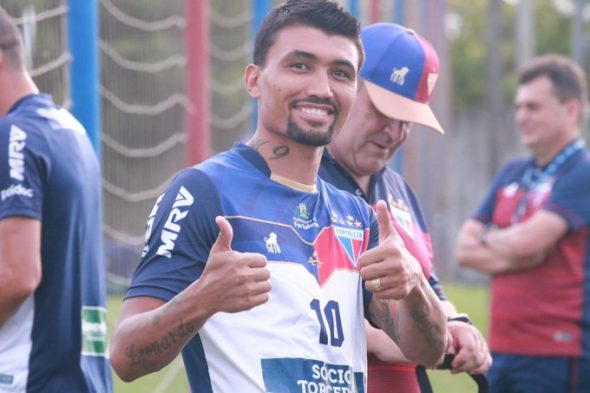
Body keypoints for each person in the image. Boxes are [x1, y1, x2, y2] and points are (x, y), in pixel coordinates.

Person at [109, 1, 448, 391]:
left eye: (340, 73)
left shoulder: (358, 216)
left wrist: (415, 285)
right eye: (300, 66)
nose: (321, 89)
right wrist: (203, 299)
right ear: (253, 80)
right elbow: (125, 356)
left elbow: (428, 351)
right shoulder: (202, 191)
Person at [319, 23, 492, 393]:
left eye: (407, 120)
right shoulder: (300, 180)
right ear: (348, 85)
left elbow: (427, 284)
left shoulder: (397, 189)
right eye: (384, 111)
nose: (395, 132)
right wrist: (418, 343)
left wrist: (455, 322)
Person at [455, 54, 590, 393]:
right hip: (501, 348)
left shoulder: (582, 171)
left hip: (558, 351)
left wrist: (492, 238)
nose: (521, 117)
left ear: (571, 109)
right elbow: (464, 250)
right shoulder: (512, 173)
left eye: (533, 107)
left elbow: (526, 244)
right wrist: (512, 246)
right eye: (518, 107)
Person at [0, 6, 112, 393]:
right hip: (82, 377)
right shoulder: (69, 128)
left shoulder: (13, 136)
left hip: (31, 377)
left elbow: (17, 277)